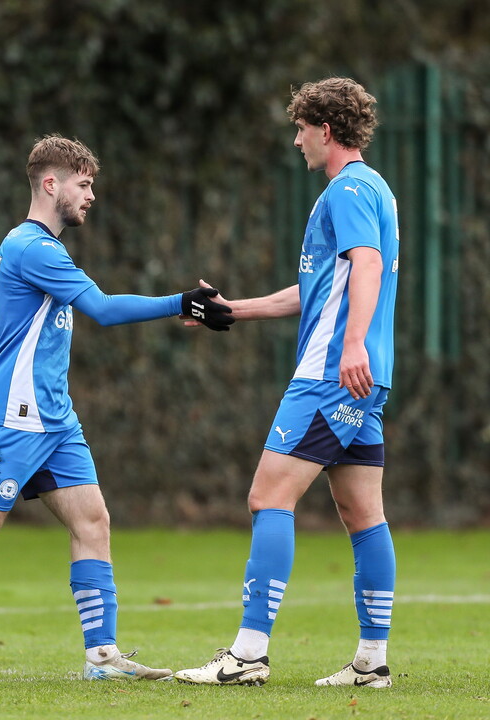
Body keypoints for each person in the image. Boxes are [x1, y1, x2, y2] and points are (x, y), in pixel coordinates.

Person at [0, 134, 233, 683]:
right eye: (84, 183)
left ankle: (102, 658)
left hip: (54, 419)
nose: (91, 195)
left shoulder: (31, 249)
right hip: (15, 419)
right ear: (51, 184)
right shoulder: (34, 248)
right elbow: (101, 308)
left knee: (93, 520)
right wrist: (182, 302)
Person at [174, 77, 399, 688]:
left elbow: (366, 267)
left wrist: (350, 344)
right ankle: (371, 662)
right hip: (364, 380)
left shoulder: (345, 189)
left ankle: (247, 655)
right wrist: (235, 310)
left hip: (331, 373)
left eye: (301, 129)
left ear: (325, 131)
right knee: (362, 513)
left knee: (268, 497)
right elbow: (323, 289)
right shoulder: (375, 188)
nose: (297, 141)